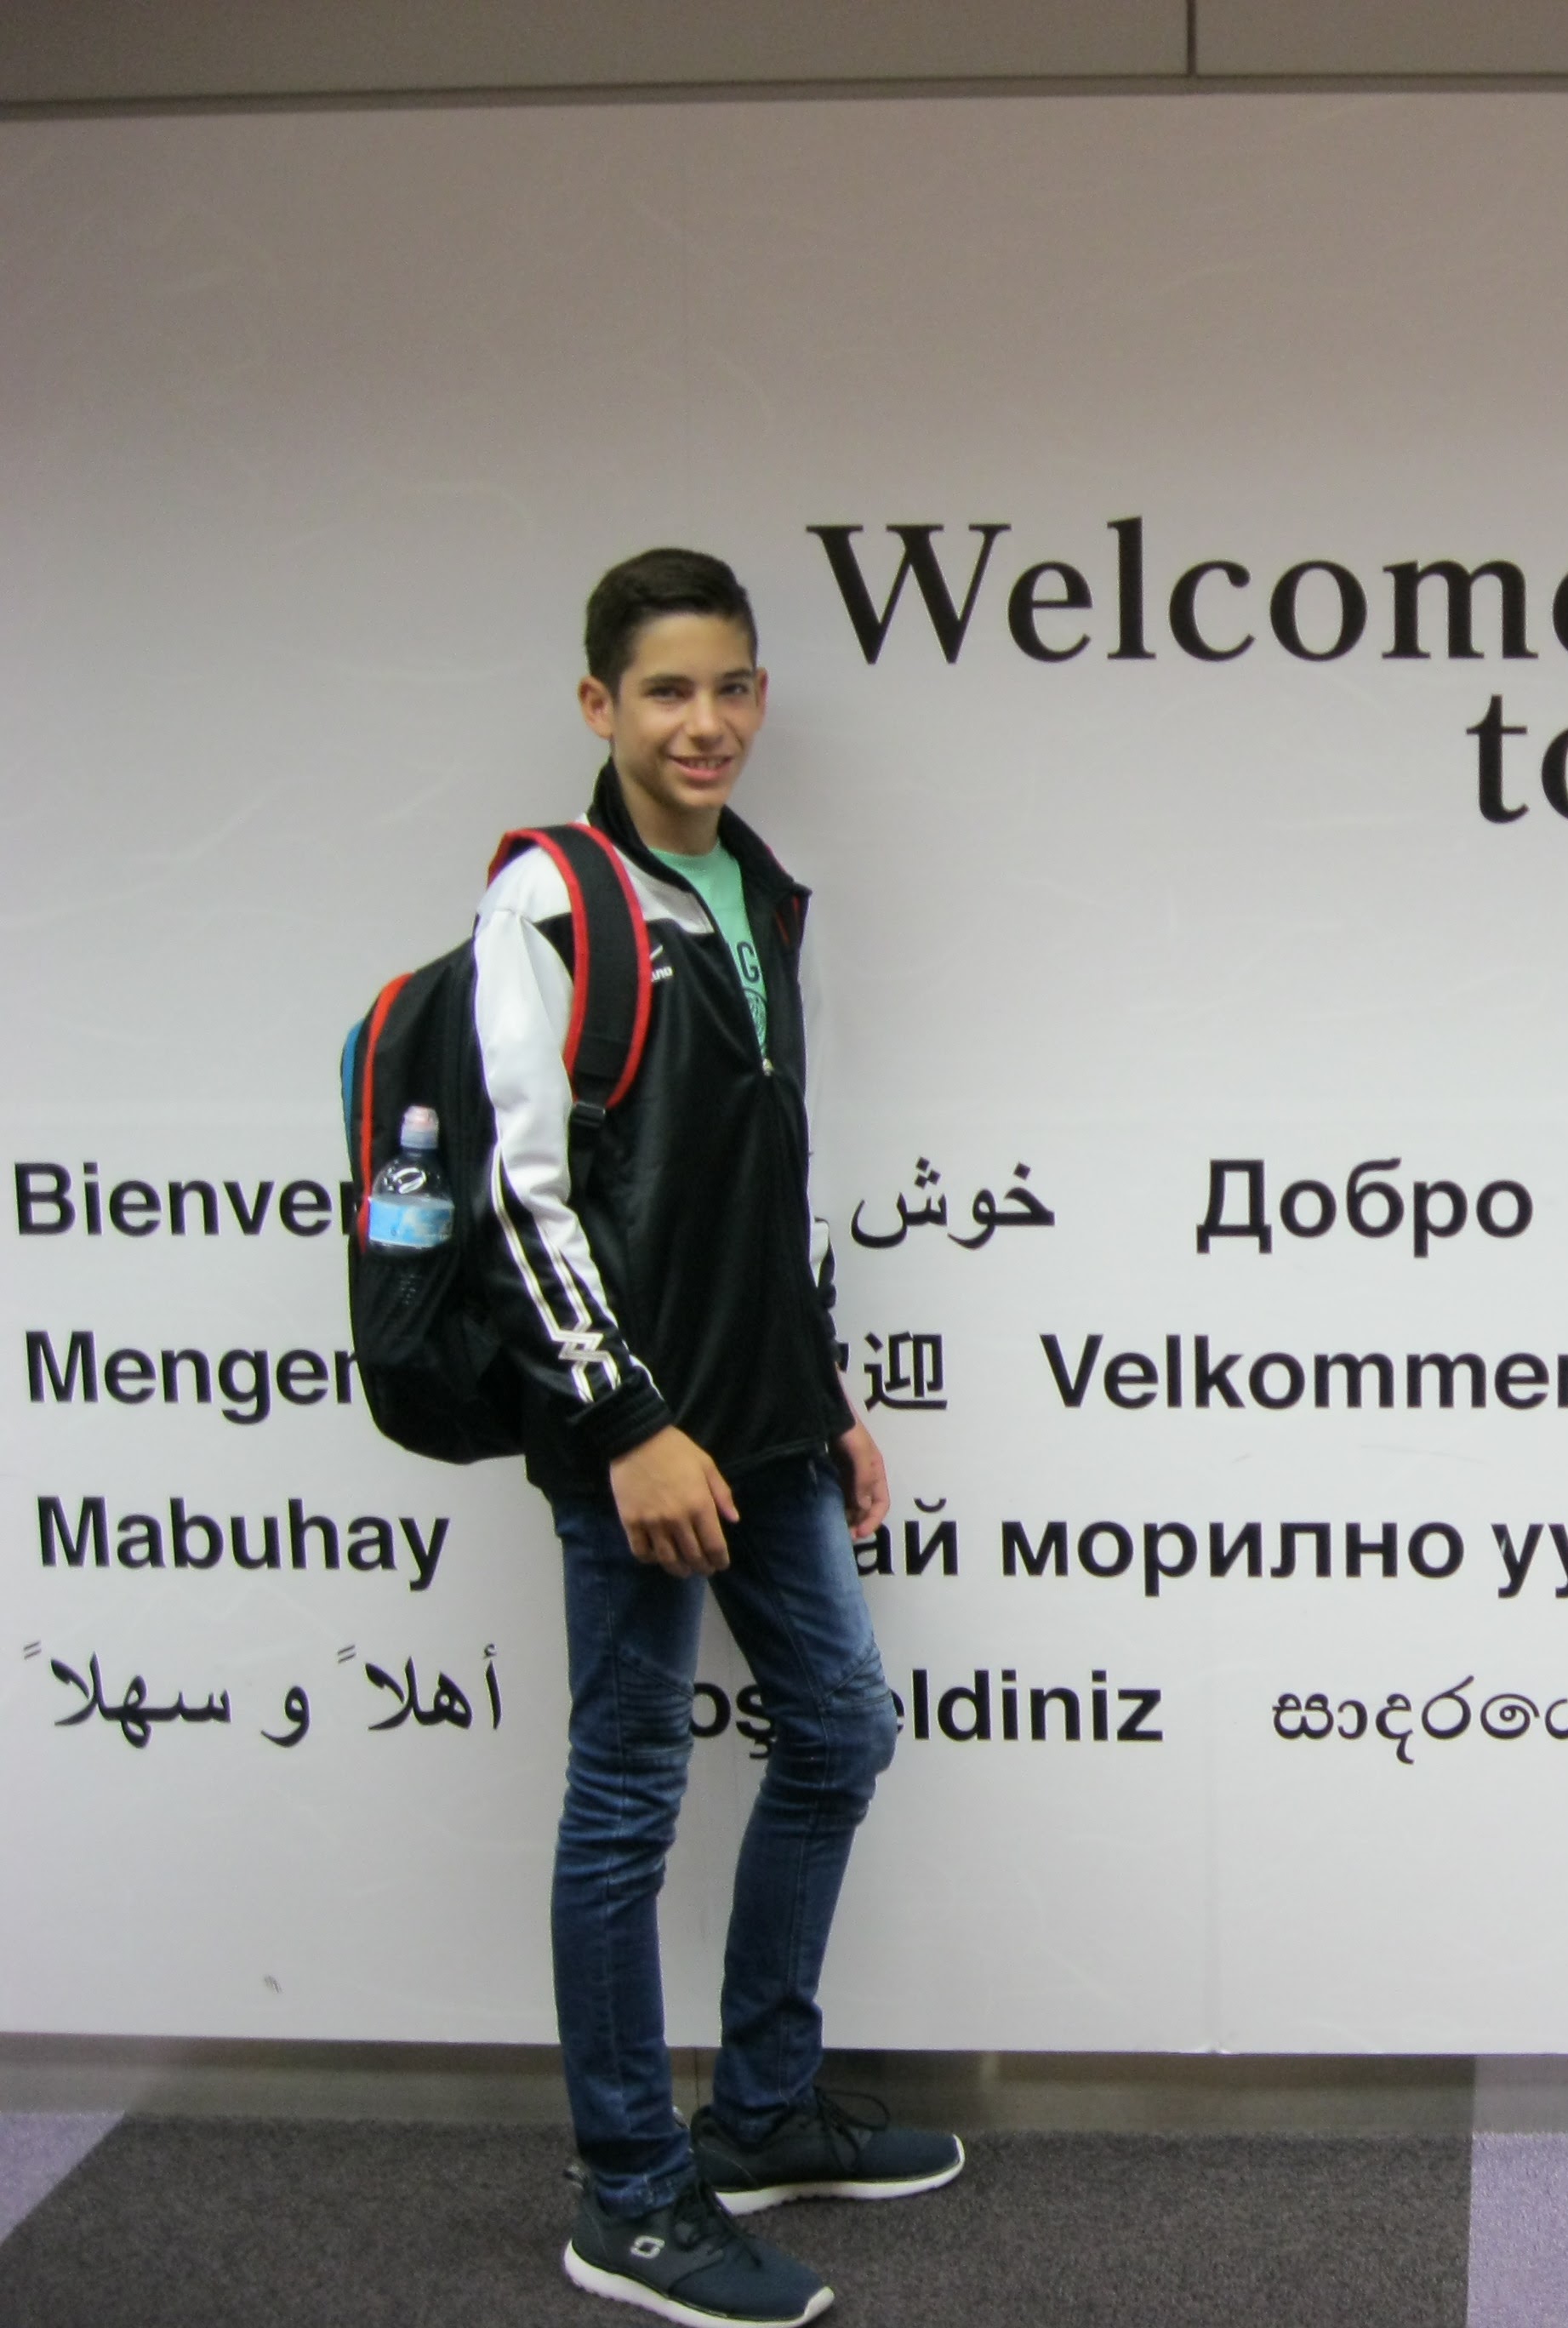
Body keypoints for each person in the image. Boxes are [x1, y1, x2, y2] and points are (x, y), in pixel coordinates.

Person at [471, 548, 961, 2326]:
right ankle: (627, 2189)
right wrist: (631, 1424)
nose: (706, 722)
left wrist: (824, 1391)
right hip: (640, 1448)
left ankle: (757, 2111)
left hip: (764, 1424)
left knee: (839, 1731)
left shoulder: (756, 894)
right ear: (599, 705)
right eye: (667, 690)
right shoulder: (551, 900)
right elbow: (519, 1207)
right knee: (626, 1802)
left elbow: (777, 1184)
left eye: (733, 687)